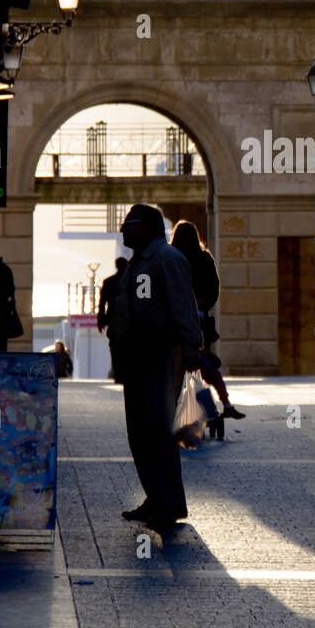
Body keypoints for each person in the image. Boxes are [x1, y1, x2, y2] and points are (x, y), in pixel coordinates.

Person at [107, 203, 204, 535]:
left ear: (148, 226)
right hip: (136, 355)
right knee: (140, 432)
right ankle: (155, 498)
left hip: (157, 352)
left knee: (158, 430)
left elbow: (183, 306)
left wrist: (191, 348)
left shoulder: (167, 259)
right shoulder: (142, 261)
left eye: (129, 223)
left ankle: (169, 502)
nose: (122, 229)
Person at [170, 220, 245, 420]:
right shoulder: (202, 259)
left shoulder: (171, 258)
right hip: (197, 321)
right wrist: (199, 302)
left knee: (191, 367)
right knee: (203, 366)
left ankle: (186, 407)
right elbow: (213, 290)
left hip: (184, 321)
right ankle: (224, 404)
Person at [97, 255, 128, 381]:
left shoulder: (108, 282)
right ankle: (126, 372)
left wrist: (101, 321)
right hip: (129, 321)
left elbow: (102, 304)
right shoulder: (132, 281)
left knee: (115, 348)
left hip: (113, 321)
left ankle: (117, 372)